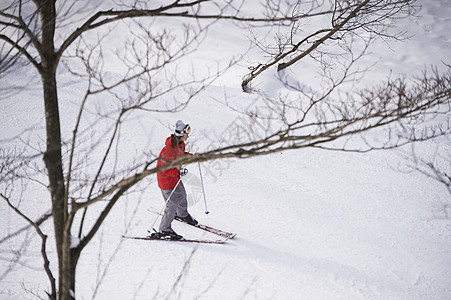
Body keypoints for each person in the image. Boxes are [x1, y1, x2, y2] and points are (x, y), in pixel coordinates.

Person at [152, 120, 198, 240]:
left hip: (175, 178)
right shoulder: (168, 150)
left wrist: (193, 157)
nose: (188, 135)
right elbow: (163, 168)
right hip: (166, 181)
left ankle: (182, 215)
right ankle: (164, 229)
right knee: (171, 205)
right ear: (181, 134)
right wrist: (177, 171)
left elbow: (181, 155)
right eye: (187, 132)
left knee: (182, 195)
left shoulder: (180, 144)